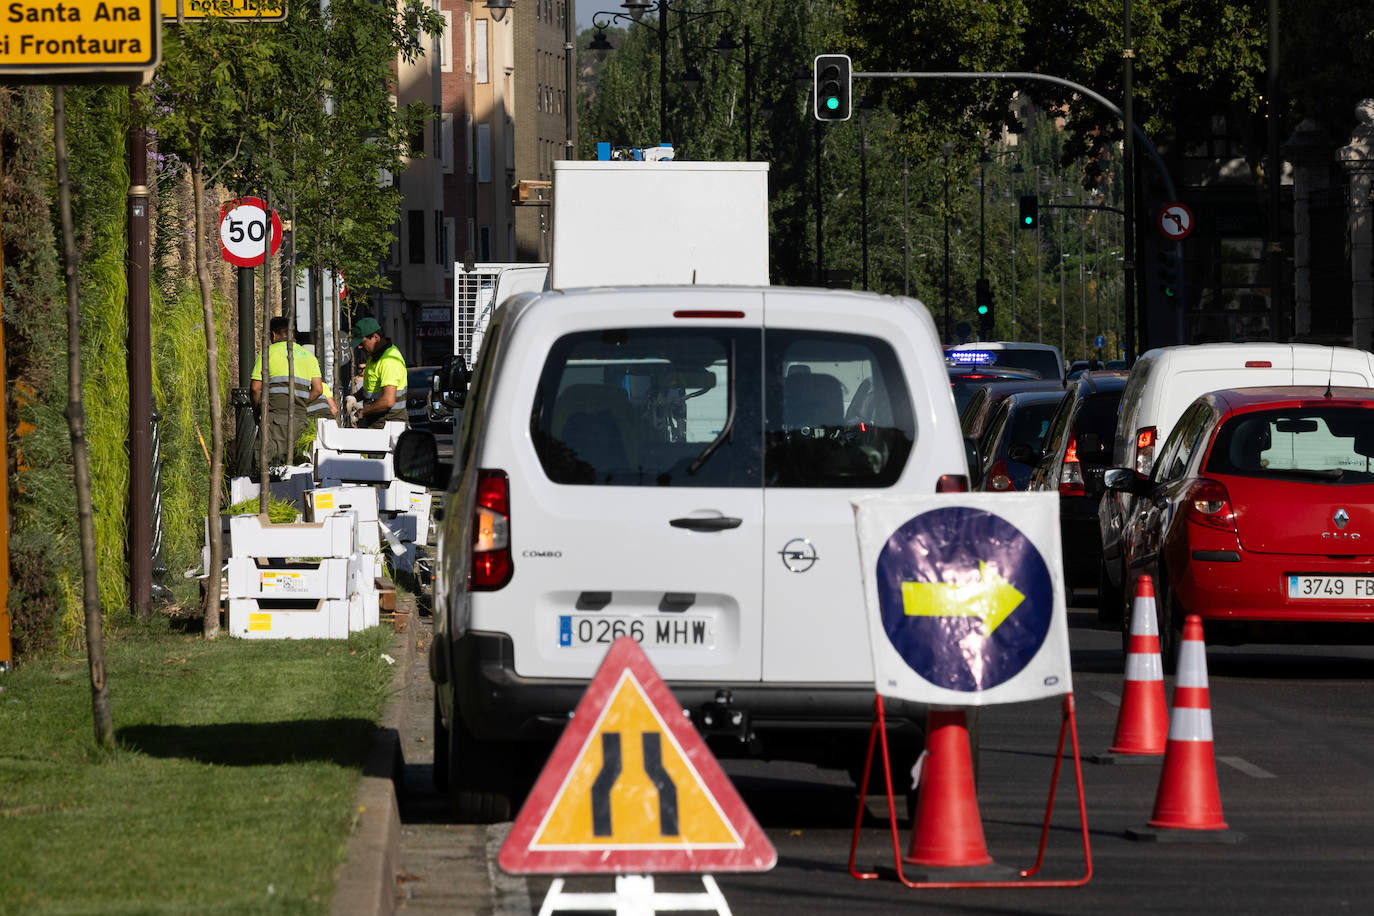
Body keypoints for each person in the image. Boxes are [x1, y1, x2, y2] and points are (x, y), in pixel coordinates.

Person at [250, 316, 324, 466]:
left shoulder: (267, 353)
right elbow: (318, 389)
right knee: (294, 469)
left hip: (275, 419)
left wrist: (259, 410)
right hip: (300, 421)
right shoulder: (309, 357)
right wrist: (300, 401)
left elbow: (255, 388)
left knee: (263, 465)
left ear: (273, 335)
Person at [349, 316, 409, 428]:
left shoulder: (389, 361)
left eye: (362, 342)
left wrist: (363, 412)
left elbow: (388, 401)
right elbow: (372, 388)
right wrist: (354, 397)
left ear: (376, 337)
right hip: (378, 423)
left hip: (389, 425)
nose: (359, 346)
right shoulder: (374, 357)